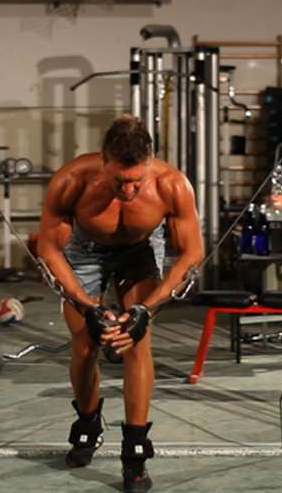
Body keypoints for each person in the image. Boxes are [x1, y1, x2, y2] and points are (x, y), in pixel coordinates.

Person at [36, 115, 203, 493]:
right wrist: (87, 307)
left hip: (140, 250)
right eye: (118, 180)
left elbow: (191, 255)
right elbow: (48, 249)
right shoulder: (72, 180)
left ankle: (135, 452)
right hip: (84, 250)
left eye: (136, 181)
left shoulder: (172, 184)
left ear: (149, 163)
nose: (127, 190)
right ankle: (88, 425)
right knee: (85, 344)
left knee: (135, 341)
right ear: (104, 161)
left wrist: (146, 311)